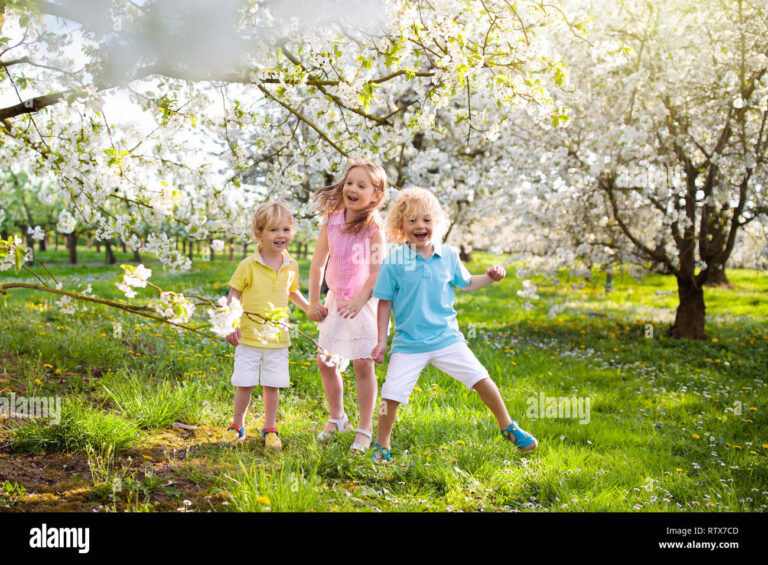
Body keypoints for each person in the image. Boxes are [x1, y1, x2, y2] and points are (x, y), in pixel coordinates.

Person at [369, 187, 538, 463]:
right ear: (401, 226)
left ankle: (508, 426)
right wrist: (381, 340)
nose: (420, 226)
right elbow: (384, 302)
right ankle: (381, 443)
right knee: (390, 396)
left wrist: (490, 277)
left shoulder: (448, 255)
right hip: (409, 344)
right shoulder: (394, 261)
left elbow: (467, 283)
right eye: (412, 221)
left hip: (447, 339)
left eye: (426, 219)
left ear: (437, 223)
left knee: (482, 379)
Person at [308, 158, 388, 453]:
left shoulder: (373, 228)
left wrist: (360, 299)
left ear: (376, 195)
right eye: (350, 183)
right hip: (335, 302)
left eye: (361, 186)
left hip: (362, 304)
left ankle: (365, 428)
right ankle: (337, 417)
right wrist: (314, 300)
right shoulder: (331, 220)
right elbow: (318, 264)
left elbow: (377, 272)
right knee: (326, 362)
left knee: (363, 364)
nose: (352, 189)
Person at [224, 200, 309, 450]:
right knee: (245, 382)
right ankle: (237, 425)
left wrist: (309, 308)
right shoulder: (247, 266)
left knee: (273, 384)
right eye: (273, 230)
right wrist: (231, 323)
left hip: (277, 338)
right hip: (249, 336)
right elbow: (234, 294)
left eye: (285, 229)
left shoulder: (291, 265)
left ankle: (270, 428)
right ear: (259, 234)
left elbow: (292, 291)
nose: (281, 235)